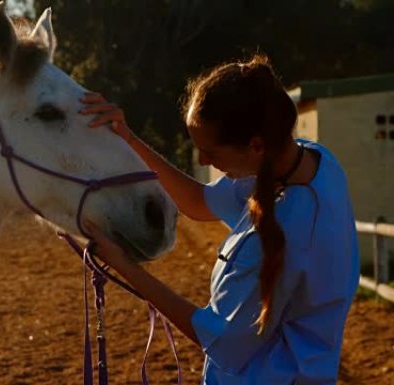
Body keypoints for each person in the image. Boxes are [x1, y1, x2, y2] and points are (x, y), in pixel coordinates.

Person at [79, 54, 360, 384]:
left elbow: (218, 338)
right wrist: (128, 139)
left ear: (254, 145)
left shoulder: (282, 234)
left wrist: (125, 266)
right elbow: (198, 202)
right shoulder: (311, 161)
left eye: (210, 152)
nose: (201, 159)